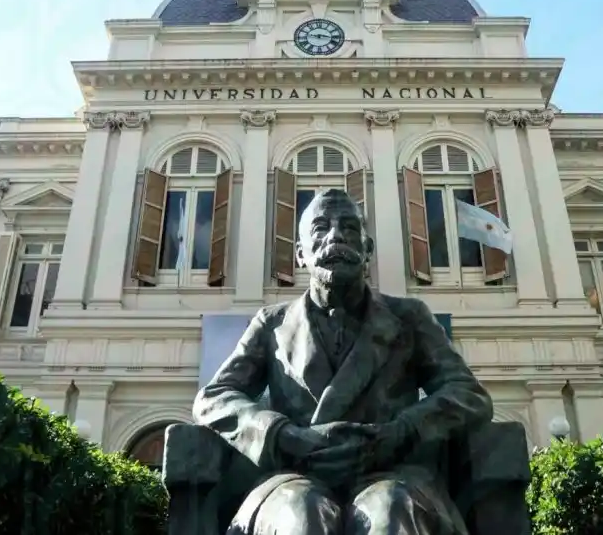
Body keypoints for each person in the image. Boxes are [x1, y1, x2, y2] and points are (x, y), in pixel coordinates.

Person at [193, 188, 493, 535]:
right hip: (296, 475)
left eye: (349, 227)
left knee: (390, 512)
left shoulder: (409, 317)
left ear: (368, 250)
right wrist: (280, 435)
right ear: (300, 254)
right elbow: (213, 398)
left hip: (390, 474)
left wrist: (401, 432)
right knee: (301, 513)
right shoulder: (272, 324)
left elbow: (468, 395)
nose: (335, 236)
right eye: (320, 228)